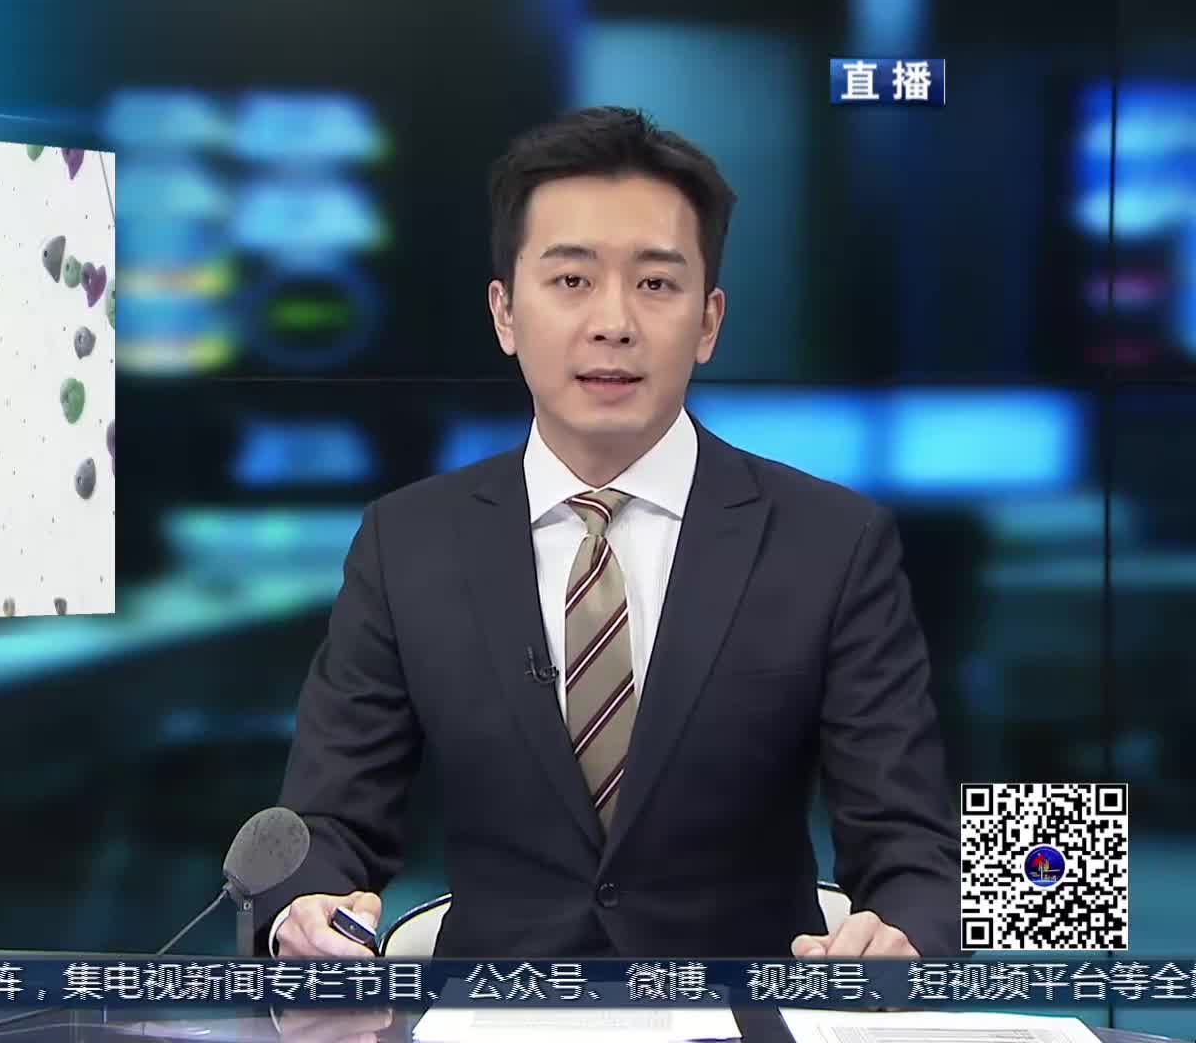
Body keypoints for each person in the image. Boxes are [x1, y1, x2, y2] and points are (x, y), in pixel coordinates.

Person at [260, 106, 960, 961]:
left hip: (742, 1009)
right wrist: (303, 912)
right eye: (571, 280)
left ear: (708, 322)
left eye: (656, 284)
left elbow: (909, 844)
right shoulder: (407, 542)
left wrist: (905, 937)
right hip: (498, 1011)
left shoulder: (831, 541)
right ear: (504, 313)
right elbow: (326, 823)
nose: (613, 323)